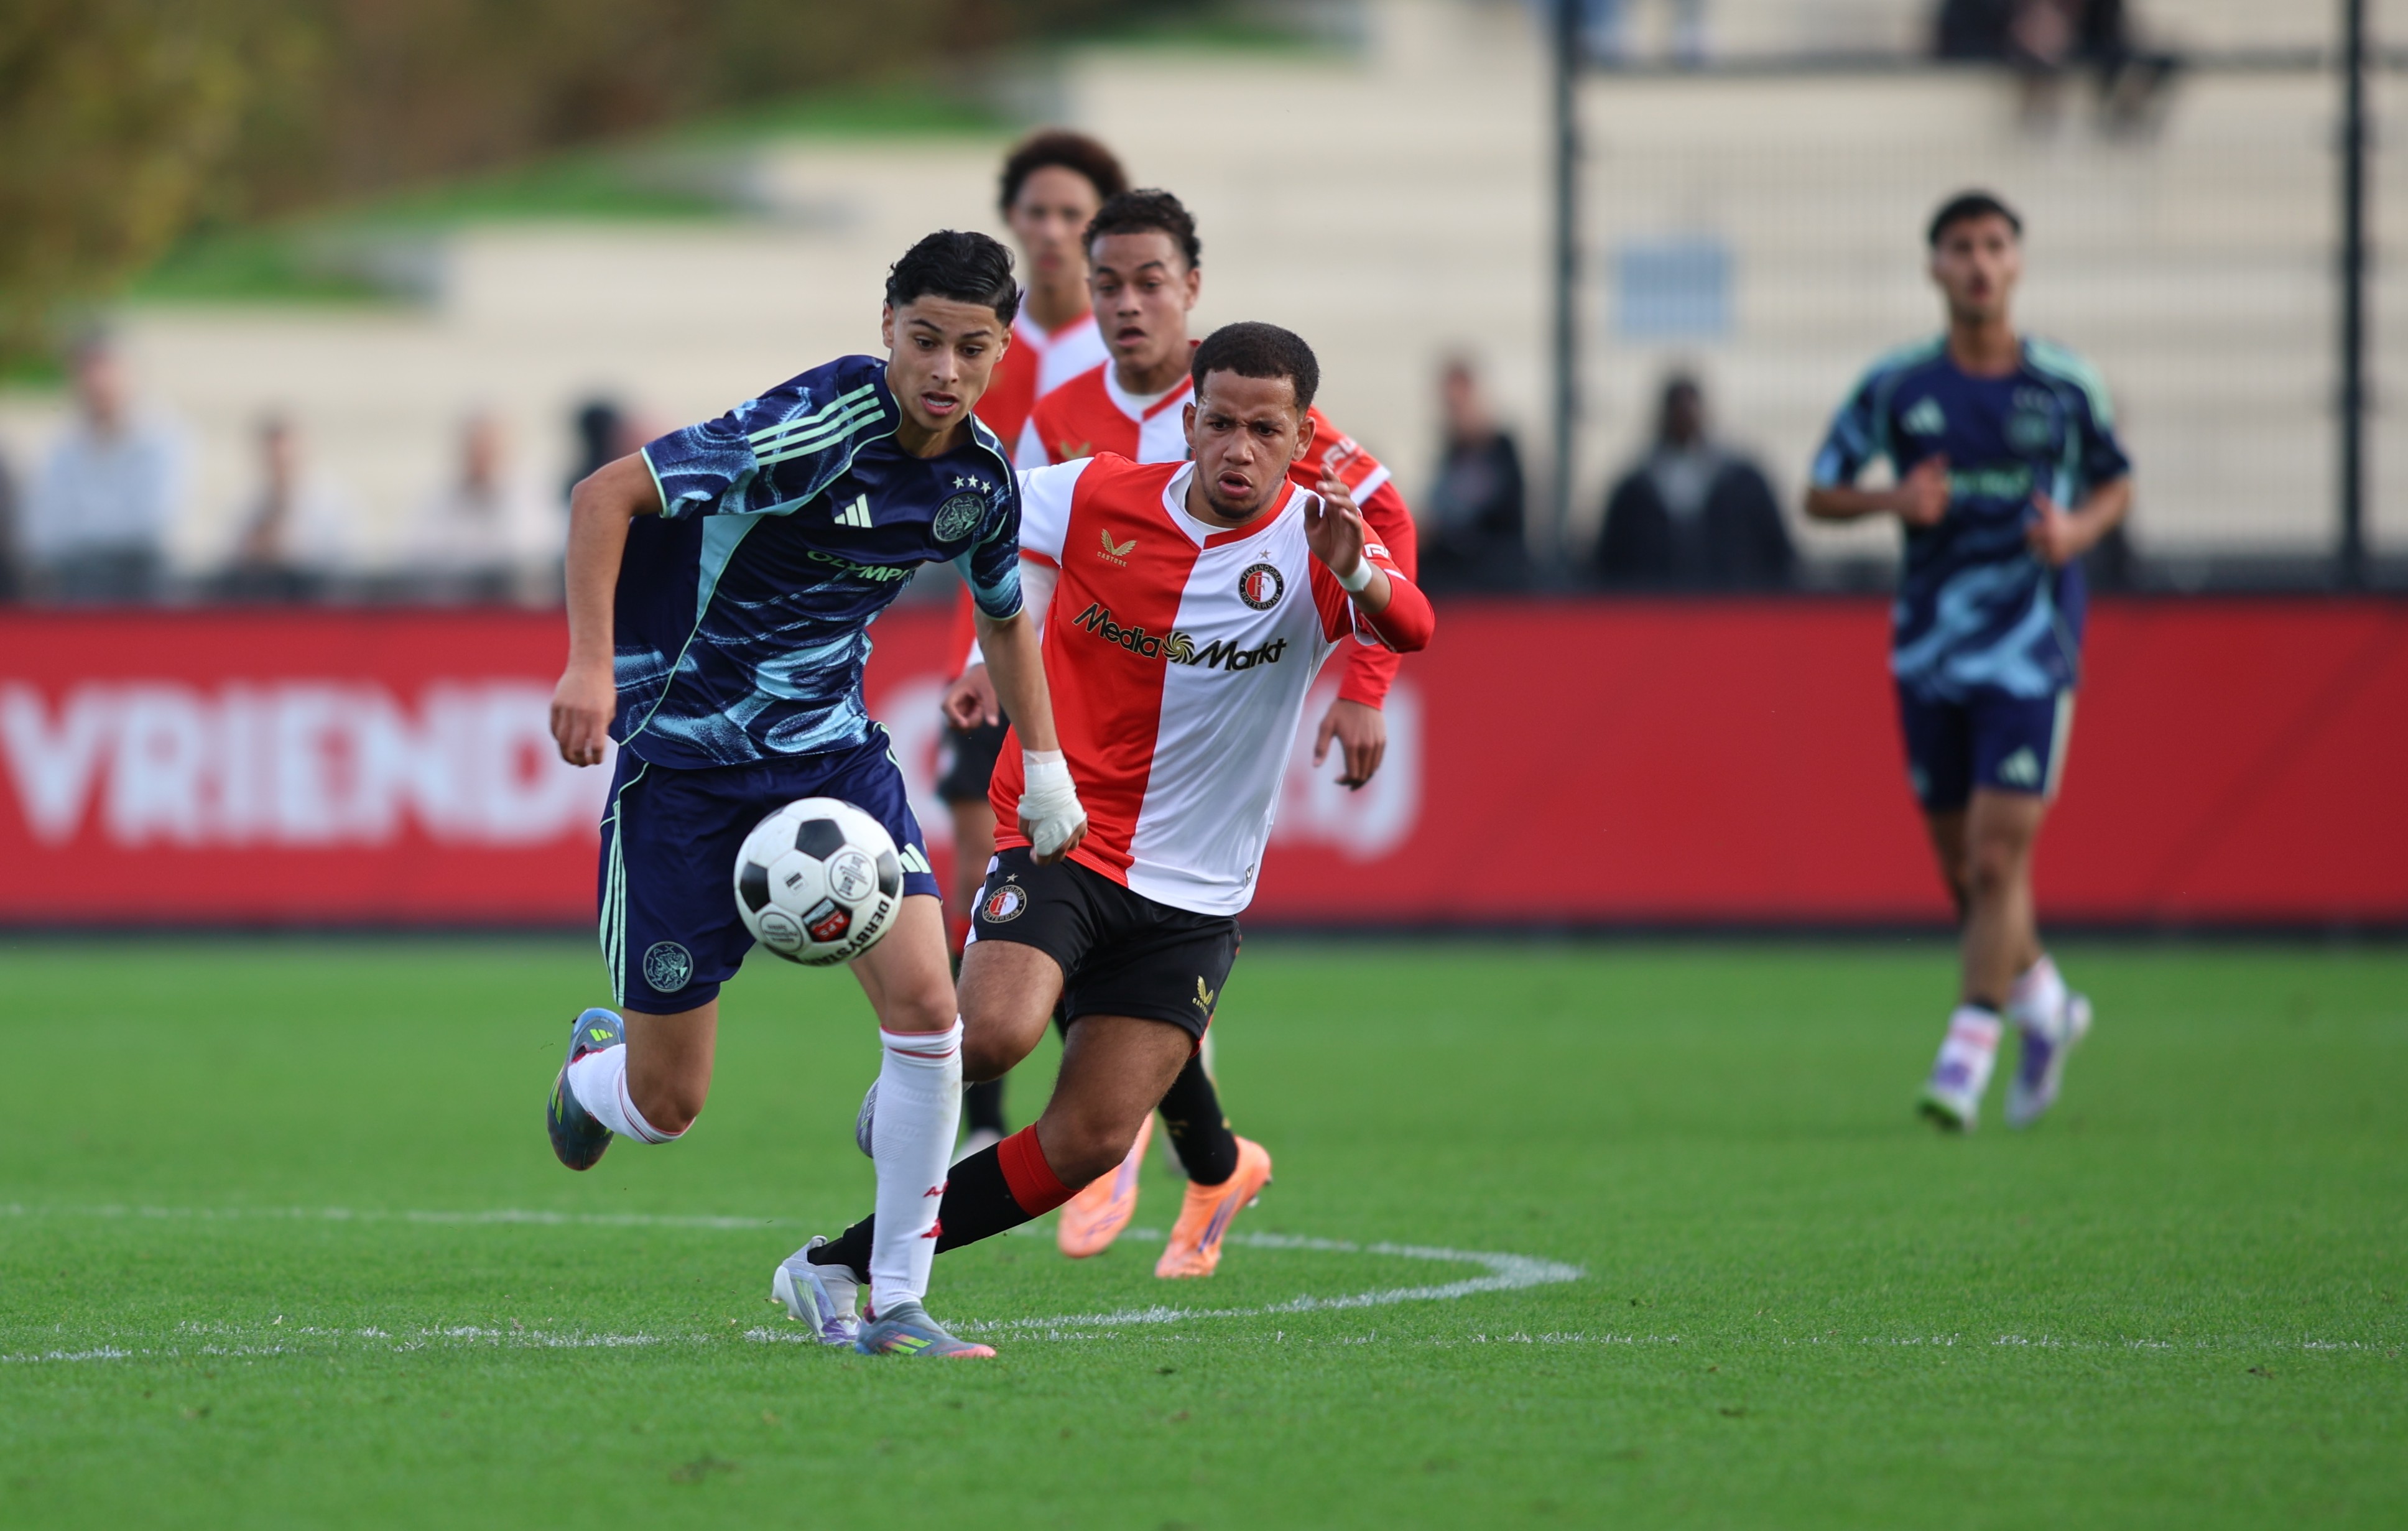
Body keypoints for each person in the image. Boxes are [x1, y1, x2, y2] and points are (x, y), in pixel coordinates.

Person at [786, 323, 1435, 1352]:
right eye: (1218, 422)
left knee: (1088, 1140)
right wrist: (966, 649)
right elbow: (996, 548)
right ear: (1188, 419)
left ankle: (834, 1265)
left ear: (1302, 436)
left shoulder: (1323, 545)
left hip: (1197, 893)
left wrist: (1356, 575)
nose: (1236, 447)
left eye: (1264, 429)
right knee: (991, 1034)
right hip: (1064, 835)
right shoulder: (1092, 494)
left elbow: (1409, 625)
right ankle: (912, 1097)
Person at [540, 229, 1090, 1361]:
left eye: (972, 348)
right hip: (681, 770)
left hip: (832, 764)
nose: (944, 368)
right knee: (668, 1105)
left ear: (999, 353)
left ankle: (892, 1300)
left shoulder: (979, 480)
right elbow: (604, 497)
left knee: (932, 1017)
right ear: (886, 326)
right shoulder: (811, 430)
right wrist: (590, 667)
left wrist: (1043, 769)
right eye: (924, 339)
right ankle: (591, 1080)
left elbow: (1003, 614)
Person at [986, 187, 1422, 1259]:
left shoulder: (1283, 422)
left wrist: (1362, 687)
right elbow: (1009, 535)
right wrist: (973, 655)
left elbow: (1388, 545)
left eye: (1148, 281)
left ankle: (1128, 1134)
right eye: (1107, 284)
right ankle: (1206, 1159)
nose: (1127, 303)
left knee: (1137, 963)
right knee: (1028, 943)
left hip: (1185, 808)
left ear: (1191, 287)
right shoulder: (1068, 413)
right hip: (1076, 730)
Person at [1805, 190, 2132, 1132]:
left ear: (2017, 262)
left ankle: (1968, 1047)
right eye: (1962, 248)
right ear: (1935, 268)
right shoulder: (1900, 388)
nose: (1980, 263)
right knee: (1967, 877)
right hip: (1931, 655)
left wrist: (2077, 528)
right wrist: (1893, 503)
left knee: (1997, 859)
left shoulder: (2064, 386)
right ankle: (2049, 1007)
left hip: (2032, 654)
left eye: (1995, 246)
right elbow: (1819, 491)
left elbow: (2118, 479)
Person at [943, 129, 1131, 1159]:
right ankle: (977, 1118)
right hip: (999, 639)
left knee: (1105, 883)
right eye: (1039, 213)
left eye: (1075, 216)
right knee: (981, 859)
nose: (1054, 233)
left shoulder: (1130, 365)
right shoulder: (976, 342)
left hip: (1107, 669)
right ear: (1012, 221)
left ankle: (1130, 1086)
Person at [1595, 374, 1793, 589]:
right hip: (1654, 607)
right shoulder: (1635, 490)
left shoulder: (1743, 483)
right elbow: (1609, 561)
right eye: (1678, 409)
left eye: (1689, 407)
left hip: (1732, 606)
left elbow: (1777, 551)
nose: (1684, 416)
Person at [27, 335, 182, 603]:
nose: (97, 383)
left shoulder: (162, 441)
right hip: (75, 581)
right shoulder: (63, 449)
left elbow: (151, 523)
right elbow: (44, 530)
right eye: (88, 372)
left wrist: (84, 531)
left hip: (139, 583)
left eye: (105, 370)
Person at [401, 409, 562, 604]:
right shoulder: (438, 500)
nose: (481, 455)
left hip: (513, 612)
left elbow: (534, 555)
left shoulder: (532, 499)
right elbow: (417, 556)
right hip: (454, 610)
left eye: (488, 446)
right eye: (474, 446)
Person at [220, 412, 355, 603]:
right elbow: (227, 561)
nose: (280, 467)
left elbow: (344, 565)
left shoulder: (331, 502)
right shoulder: (245, 502)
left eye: (285, 460)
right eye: (274, 460)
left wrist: (289, 548)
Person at [1420, 356, 1529, 592]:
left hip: (1495, 575)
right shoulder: (1453, 453)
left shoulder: (1500, 451)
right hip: (1460, 570)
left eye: (1459, 405)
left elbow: (1467, 509)